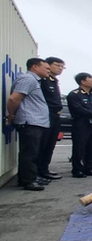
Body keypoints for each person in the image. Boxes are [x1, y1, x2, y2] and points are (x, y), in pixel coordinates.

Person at [6, 58, 51, 190]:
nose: (48, 70)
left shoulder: (34, 80)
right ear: (35, 67)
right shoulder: (28, 79)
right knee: (29, 153)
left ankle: (31, 176)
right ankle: (28, 181)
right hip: (30, 121)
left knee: (33, 152)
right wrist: (12, 115)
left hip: (36, 122)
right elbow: (14, 98)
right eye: (46, 68)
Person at [67, 73, 92, 178]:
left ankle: (89, 167)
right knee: (80, 147)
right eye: (91, 79)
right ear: (83, 81)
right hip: (81, 124)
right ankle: (78, 169)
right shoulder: (74, 94)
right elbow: (78, 109)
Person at [36, 57, 65, 180]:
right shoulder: (43, 80)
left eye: (62, 67)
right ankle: (38, 172)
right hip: (46, 115)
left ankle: (44, 169)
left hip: (55, 116)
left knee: (50, 144)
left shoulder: (53, 81)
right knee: (42, 144)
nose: (60, 68)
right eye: (57, 65)